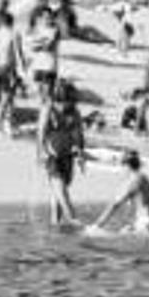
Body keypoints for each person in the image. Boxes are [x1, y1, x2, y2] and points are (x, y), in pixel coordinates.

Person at [36, 80, 85, 226]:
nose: (69, 105)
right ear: (59, 99)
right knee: (62, 193)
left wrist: (80, 153)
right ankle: (75, 222)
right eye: (67, 101)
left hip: (67, 157)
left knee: (58, 195)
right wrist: (40, 153)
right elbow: (40, 133)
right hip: (52, 157)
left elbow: (79, 135)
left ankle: (55, 227)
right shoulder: (48, 110)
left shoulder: (75, 112)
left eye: (71, 101)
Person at [87, 150, 149, 237]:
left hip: (144, 224)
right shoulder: (144, 178)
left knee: (119, 234)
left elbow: (115, 205)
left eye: (122, 166)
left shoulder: (132, 181)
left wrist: (97, 225)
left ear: (127, 166)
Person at [26, 7, 60, 102]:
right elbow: (30, 46)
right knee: (40, 97)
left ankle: (47, 114)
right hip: (37, 66)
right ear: (40, 18)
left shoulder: (54, 30)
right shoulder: (35, 30)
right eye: (45, 17)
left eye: (50, 17)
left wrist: (38, 44)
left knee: (48, 97)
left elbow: (49, 46)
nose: (48, 19)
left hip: (49, 66)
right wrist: (40, 43)